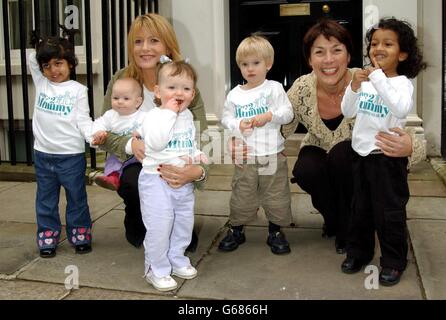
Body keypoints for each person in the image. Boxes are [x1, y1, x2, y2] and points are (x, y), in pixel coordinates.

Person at [281, 19, 426, 255]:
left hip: (357, 157)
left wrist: (410, 146)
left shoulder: (369, 82)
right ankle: (337, 221)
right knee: (307, 169)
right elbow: (282, 123)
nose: (328, 60)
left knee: (342, 156)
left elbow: (405, 128)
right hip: (318, 150)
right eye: (319, 52)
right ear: (309, 59)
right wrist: (254, 142)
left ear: (349, 56)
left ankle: (353, 230)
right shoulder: (302, 87)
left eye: (337, 50)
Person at [99, 13, 208, 250]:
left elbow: (202, 134)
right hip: (137, 161)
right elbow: (104, 130)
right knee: (134, 180)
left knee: (185, 240)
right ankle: (137, 216)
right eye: (138, 41)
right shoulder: (121, 79)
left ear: (167, 45)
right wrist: (130, 144)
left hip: (174, 157)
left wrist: (197, 171)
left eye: (154, 41)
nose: (145, 48)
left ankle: (173, 221)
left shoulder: (181, 80)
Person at [340, 17, 427, 286]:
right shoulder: (365, 81)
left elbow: (400, 108)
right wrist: (354, 86)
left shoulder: (402, 83)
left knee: (389, 212)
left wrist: (377, 77)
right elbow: (347, 111)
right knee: (361, 208)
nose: (378, 48)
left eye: (388, 44)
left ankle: (393, 261)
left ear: (402, 53)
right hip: (361, 155)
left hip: (387, 159)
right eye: (374, 43)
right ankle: (359, 251)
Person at [220, 35, 294, 255]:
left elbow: (287, 113)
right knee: (242, 193)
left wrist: (270, 115)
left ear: (268, 64)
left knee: (276, 194)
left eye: (256, 63)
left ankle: (275, 230)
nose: (250, 69)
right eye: (244, 64)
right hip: (247, 156)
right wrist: (237, 124)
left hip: (272, 153)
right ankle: (236, 228)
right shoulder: (234, 94)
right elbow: (225, 119)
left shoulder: (274, 88)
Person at [138, 58, 206, 291]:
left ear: (193, 94)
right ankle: (155, 268)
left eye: (186, 89)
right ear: (157, 92)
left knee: (183, 222)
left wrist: (195, 154)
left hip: (181, 181)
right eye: (171, 88)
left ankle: (176, 258)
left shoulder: (187, 116)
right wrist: (169, 113)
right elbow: (156, 143)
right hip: (155, 180)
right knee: (160, 224)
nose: (179, 93)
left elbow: (186, 142)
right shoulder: (154, 116)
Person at [29, 27, 95, 258]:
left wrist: (93, 136)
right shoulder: (41, 83)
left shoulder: (78, 90)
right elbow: (32, 60)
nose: (52, 70)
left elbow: (83, 119)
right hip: (43, 155)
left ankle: (80, 232)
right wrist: (37, 43)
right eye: (46, 66)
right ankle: (48, 234)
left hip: (71, 156)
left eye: (58, 63)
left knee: (76, 197)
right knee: (46, 199)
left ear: (70, 64)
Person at [92, 77, 145, 191]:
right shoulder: (111, 115)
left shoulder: (144, 116)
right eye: (116, 98)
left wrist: (140, 132)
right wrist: (99, 131)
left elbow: (152, 128)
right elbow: (98, 123)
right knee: (113, 160)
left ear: (138, 102)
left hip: (138, 155)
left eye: (126, 98)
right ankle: (112, 179)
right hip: (120, 153)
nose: (120, 101)